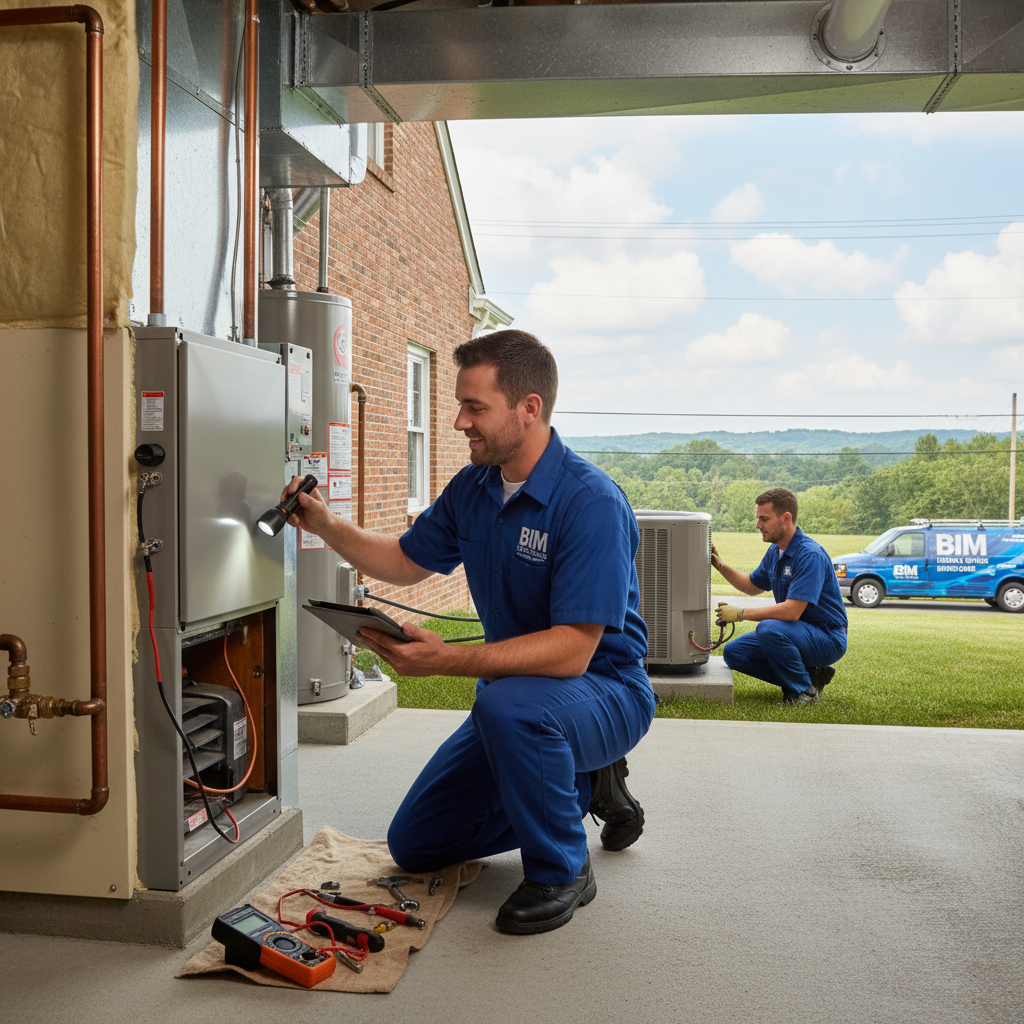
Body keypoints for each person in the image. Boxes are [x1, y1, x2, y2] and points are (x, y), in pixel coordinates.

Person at [283, 329, 656, 935]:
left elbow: (573, 651)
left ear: (528, 408)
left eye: (474, 407)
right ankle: (582, 783)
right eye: (460, 406)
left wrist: (447, 660)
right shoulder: (474, 488)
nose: (459, 422)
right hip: (519, 699)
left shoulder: (590, 503)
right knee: (419, 842)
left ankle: (562, 869)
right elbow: (405, 561)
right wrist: (326, 524)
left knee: (509, 706)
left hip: (605, 689)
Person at [712, 487, 847, 704]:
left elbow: (792, 611)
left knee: (768, 628)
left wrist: (740, 613)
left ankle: (803, 692)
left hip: (827, 637)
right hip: (793, 633)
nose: (758, 525)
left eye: (764, 519)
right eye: (758, 519)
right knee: (734, 653)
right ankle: (811, 677)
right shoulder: (775, 552)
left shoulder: (809, 555)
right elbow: (752, 585)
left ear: (786, 519)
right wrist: (720, 565)